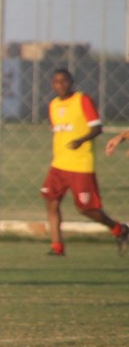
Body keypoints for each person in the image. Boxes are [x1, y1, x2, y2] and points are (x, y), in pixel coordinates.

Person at [40, 68, 127, 256]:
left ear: (71, 82)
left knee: (86, 209)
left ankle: (119, 229)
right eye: (56, 82)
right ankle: (57, 247)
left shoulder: (82, 100)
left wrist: (81, 140)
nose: (60, 85)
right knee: (51, 202)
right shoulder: (53, 105)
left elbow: (97, 128)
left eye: (64, 81)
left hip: (81, 165)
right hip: (58, 164)